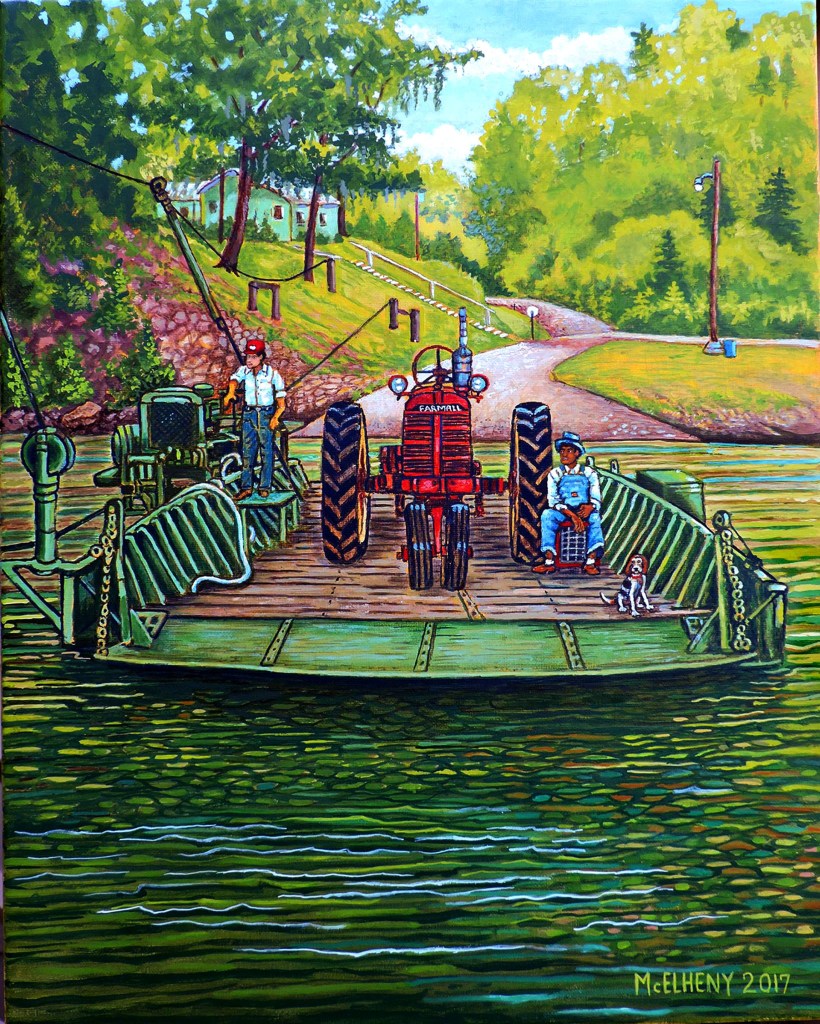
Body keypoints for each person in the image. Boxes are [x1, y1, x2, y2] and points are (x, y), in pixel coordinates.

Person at [532, 430, 605, 576]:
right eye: (562, 451)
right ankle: (549, 561)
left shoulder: (589, 473)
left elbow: (596, 498)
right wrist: (572, 515)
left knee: (595, 517)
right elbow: (554, 500)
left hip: (584, 511)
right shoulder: (555, 474)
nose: (564, 454)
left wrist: (590, 507)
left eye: (569, 451)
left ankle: (590, 561)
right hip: (564, 512)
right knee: (547, 515)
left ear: (577, 453)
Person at [223, 337, 286, 500]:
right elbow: (234, 379)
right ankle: (246, 487)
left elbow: (281, 402)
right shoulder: (244, 371)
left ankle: (264, 487)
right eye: (247, 356)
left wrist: (275, 418)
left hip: (265, 414)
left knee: (266, 452)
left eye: (253, 357)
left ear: (261, 357)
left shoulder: (272, 374)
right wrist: (230, 393)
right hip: (249, 414)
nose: (249, 360)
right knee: (247, 452)